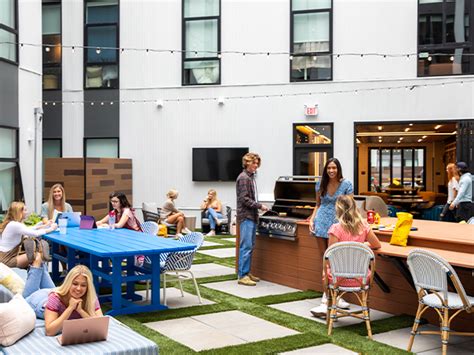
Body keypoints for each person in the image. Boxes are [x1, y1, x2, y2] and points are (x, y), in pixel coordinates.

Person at [310, 195, 381, 317]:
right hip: (361, 278)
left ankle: (330, 302)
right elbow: (377, 245)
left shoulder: (335, 229)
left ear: (338, 210)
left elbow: (330, 255)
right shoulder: (364, 226)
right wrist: (361, 244)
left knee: (325, 271)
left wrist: (325, 269)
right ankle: (333, 302)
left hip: (338, 279)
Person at [20, 252, 103, 336]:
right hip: (37, 300)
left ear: (88, 287)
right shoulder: (55, 298)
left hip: (57, 291)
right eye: (75, 284)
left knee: (49, 282)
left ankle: (41, 259)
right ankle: (37, 259)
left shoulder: (91, 296)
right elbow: (50, 331)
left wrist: (80, 311)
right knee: (25, 298)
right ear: (69, 283)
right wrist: (70, 308)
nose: (79, 288)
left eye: (83, 285)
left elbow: (100, 325)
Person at [309, 158, 353, 309]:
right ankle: (326, 295)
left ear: (338, 169)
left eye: (334, 168)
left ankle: (337, 296)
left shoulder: (346, 184)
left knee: (337, 259)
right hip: (321, 222)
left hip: (338, 224)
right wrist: (312, 220)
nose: (331, 170)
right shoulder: (320, 184)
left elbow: (350, 207)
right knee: (325, 259)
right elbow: (317, 204)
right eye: (329, 168)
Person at [236, 152, 268, 286]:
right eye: (253, 163)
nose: (256, 166)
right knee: (246, 246)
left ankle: (246, 272)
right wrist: (260, 206)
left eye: (257, 163)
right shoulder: (244, 178)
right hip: (246, 216)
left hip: (252, 216)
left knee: (250, 245)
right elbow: (244, 199)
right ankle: (242, 275)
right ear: (247, 163)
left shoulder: (250, 177)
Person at [0, 201, 57, 268]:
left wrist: (44, 224)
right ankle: (35, 277)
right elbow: (35, 233)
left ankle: (35, 274)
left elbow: (28, 229)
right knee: (38, 257)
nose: (27, 212)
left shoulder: (12, 223)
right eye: (25, 210)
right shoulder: (15, 225)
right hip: (6, 259)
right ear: (19, 212)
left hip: (4, 257)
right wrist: (51, 229)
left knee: (35, 258)